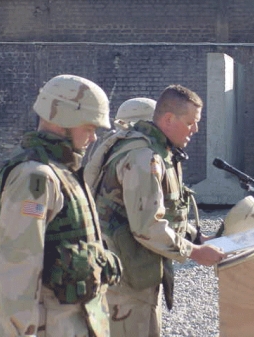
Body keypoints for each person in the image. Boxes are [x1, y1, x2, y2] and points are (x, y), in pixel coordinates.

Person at [84, 84, 226, 337]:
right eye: (191, 122)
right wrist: (194, 252)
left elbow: (166, 208)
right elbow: (147, 225)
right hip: (124, 282)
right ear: (168, 119)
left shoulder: (159, 153)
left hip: (138, 270)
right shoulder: (143, 157)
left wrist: (196, 237)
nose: (196, 129)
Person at [0, 74, 122, 337]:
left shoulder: (63, 171)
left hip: (77, 321)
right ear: (65, 119)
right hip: (51, 324)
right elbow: (18, 267)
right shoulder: (35, 176)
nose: (93, 138)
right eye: (89, 127)